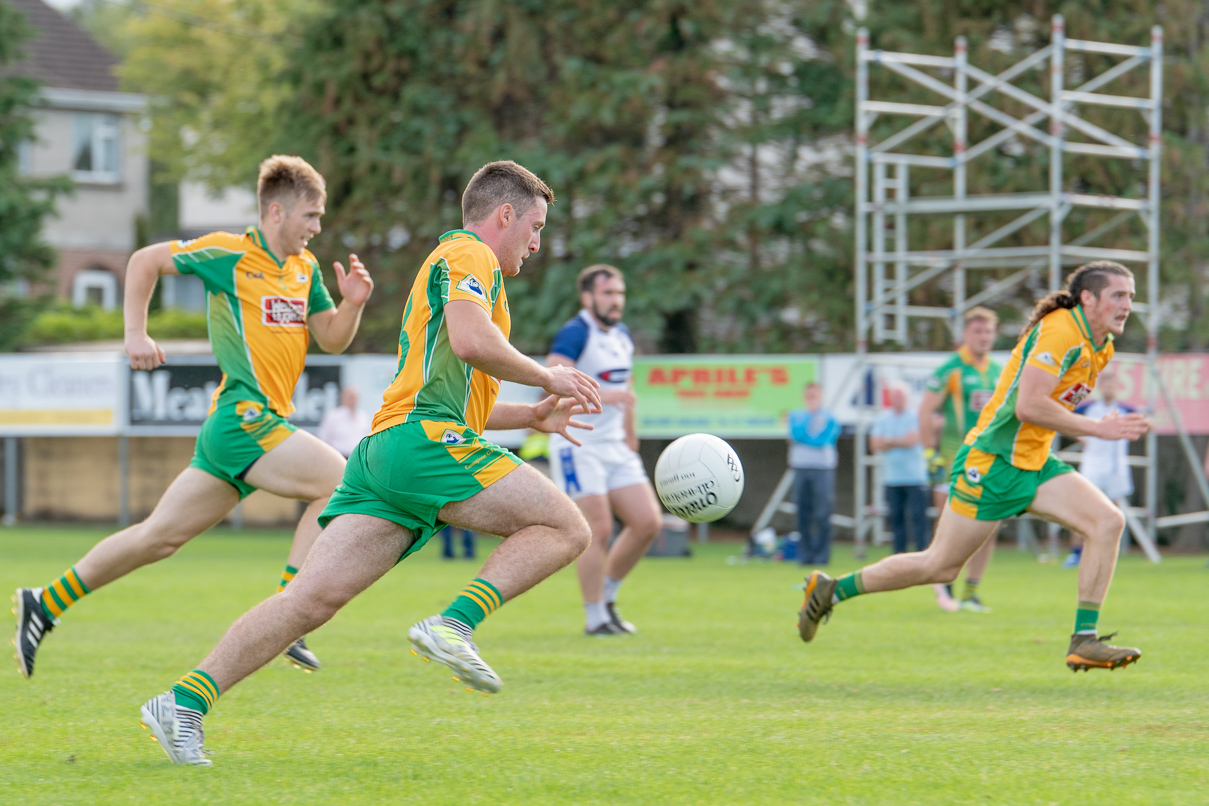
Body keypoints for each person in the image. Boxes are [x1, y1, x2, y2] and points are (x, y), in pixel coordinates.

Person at [137, 160, 604, 765]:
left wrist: (531, 415)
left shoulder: (464, 267)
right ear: (504, 215)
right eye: (536, 226)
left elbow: (453, 393)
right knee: (568, 527)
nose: (539, 243)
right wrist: (549, 375)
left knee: (307, 603)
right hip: (418, 445)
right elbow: (470, 341)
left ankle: (182, 703)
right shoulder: (470, 256)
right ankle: (454, 624)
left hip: (387, 450)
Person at [13, 155, 373, 679]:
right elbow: (143, 260)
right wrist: (135, 334)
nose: (317, 228)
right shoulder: (229, 253)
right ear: (276, 212)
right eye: (310, 216)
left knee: (157, 538)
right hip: (245, 418)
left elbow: (332, 339)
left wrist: (353, 305)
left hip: (242, 430)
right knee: (341, 482)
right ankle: (290, 613)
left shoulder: (305, 270)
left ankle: (44, 602)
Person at [798, 261, 1150, 673]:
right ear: (1088, 298)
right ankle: (830, 591)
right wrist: (1097, 428)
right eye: (1119, 295)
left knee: (1107, 522)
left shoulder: (1100, 345)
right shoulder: (1062, 331)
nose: (1128, 304)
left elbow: (1045, 409)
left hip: (1033, 463)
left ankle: (1084, 641)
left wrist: (1095, 429)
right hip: (993, 463)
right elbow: (1029, 405)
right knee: (939, 566)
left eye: (1131, 296)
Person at [547, 265, 663, 635]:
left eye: (620, 294)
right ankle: (594, 616)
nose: (616, 302)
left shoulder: (623, 336)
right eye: (608, 294)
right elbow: (550, 385)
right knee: (599, 527)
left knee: (648, 523)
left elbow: (626, 387)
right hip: (579, 443)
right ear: (588, 298)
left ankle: (608, 595)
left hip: (615, 445)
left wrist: (631, 434)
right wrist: (601, 395)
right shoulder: (576, 332)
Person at [918, 307, 1003, 613]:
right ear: (966, 334)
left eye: (989, 332)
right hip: (954, 459)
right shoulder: (950, 369)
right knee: (949, 526)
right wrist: (930, 453)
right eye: (978, 331)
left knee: (990, 524)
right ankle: (944, 588)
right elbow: (926, 411)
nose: (984, 337)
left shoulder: (997, 371)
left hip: (990, 462)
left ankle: (972, 592)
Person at [1064, 369, 1135, 567]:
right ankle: (1076, 553)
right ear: (1099, 387)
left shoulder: (1126, 410)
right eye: (1106, 384)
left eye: (1113, 384)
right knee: (1081, 509)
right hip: (1092, 466)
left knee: (1114, 514)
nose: (1109, 388)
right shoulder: (1088, 408)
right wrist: (1082, 438)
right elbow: (1062, 418)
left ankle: (1108, 554)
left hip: (1116, 469)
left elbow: (1147, 424)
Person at [870, 382, 930, 554]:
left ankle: (922, 556)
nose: (898, 399)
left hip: (915, 477)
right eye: (895, 396)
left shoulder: (916, 416)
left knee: (919, 519)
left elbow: (913, 441)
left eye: (901, 396)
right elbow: (875, 443)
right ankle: (899, 557)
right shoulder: (883, 418)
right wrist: (900, 441)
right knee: (896, 520)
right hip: (892, 478)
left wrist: (888, 440)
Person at [787, 382, 841, 565]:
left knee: (823, 512)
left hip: (822, 468)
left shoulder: (830, 417)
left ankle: (822, 555)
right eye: (809, 395)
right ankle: (805, 555)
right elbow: (797, 434)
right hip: (801, 467)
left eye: (815, 395)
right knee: (803, 512)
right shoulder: (796, 415)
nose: (812, 398)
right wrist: (812, 426)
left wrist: (809, 435)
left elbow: (824, 440)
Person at [317, 386, 372, 458]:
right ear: (342, 397)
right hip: (338, 456)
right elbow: (323, 438)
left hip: (358, 458)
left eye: (354, 397)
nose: (352, 400)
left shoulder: (363, 417)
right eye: (350, 397)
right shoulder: (333, 416)